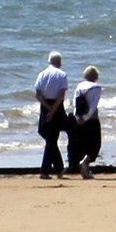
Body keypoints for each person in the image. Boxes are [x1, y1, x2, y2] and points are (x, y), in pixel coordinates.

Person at [33, 51, 69, 180]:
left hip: (45, 105)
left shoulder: (42, 74)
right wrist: (53, 110)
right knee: (52, 139)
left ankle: (57, 168)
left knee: (50, 137)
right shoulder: (62, 74)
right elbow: (61, 96)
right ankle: (48, 170)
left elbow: (37, 94)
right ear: (60, 62)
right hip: (56, 106)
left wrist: (47, 108)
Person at [69, 65, 102, 180]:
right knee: (95, 145)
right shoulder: (96, 87)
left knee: (83, 145)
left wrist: (78, 117)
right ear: (96, 76)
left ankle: (85, 170)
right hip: (91, 120)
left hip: (78, 119)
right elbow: (93, 106)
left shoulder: (80, 86)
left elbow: (75, 103)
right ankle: (85, 163)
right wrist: (86, 117)